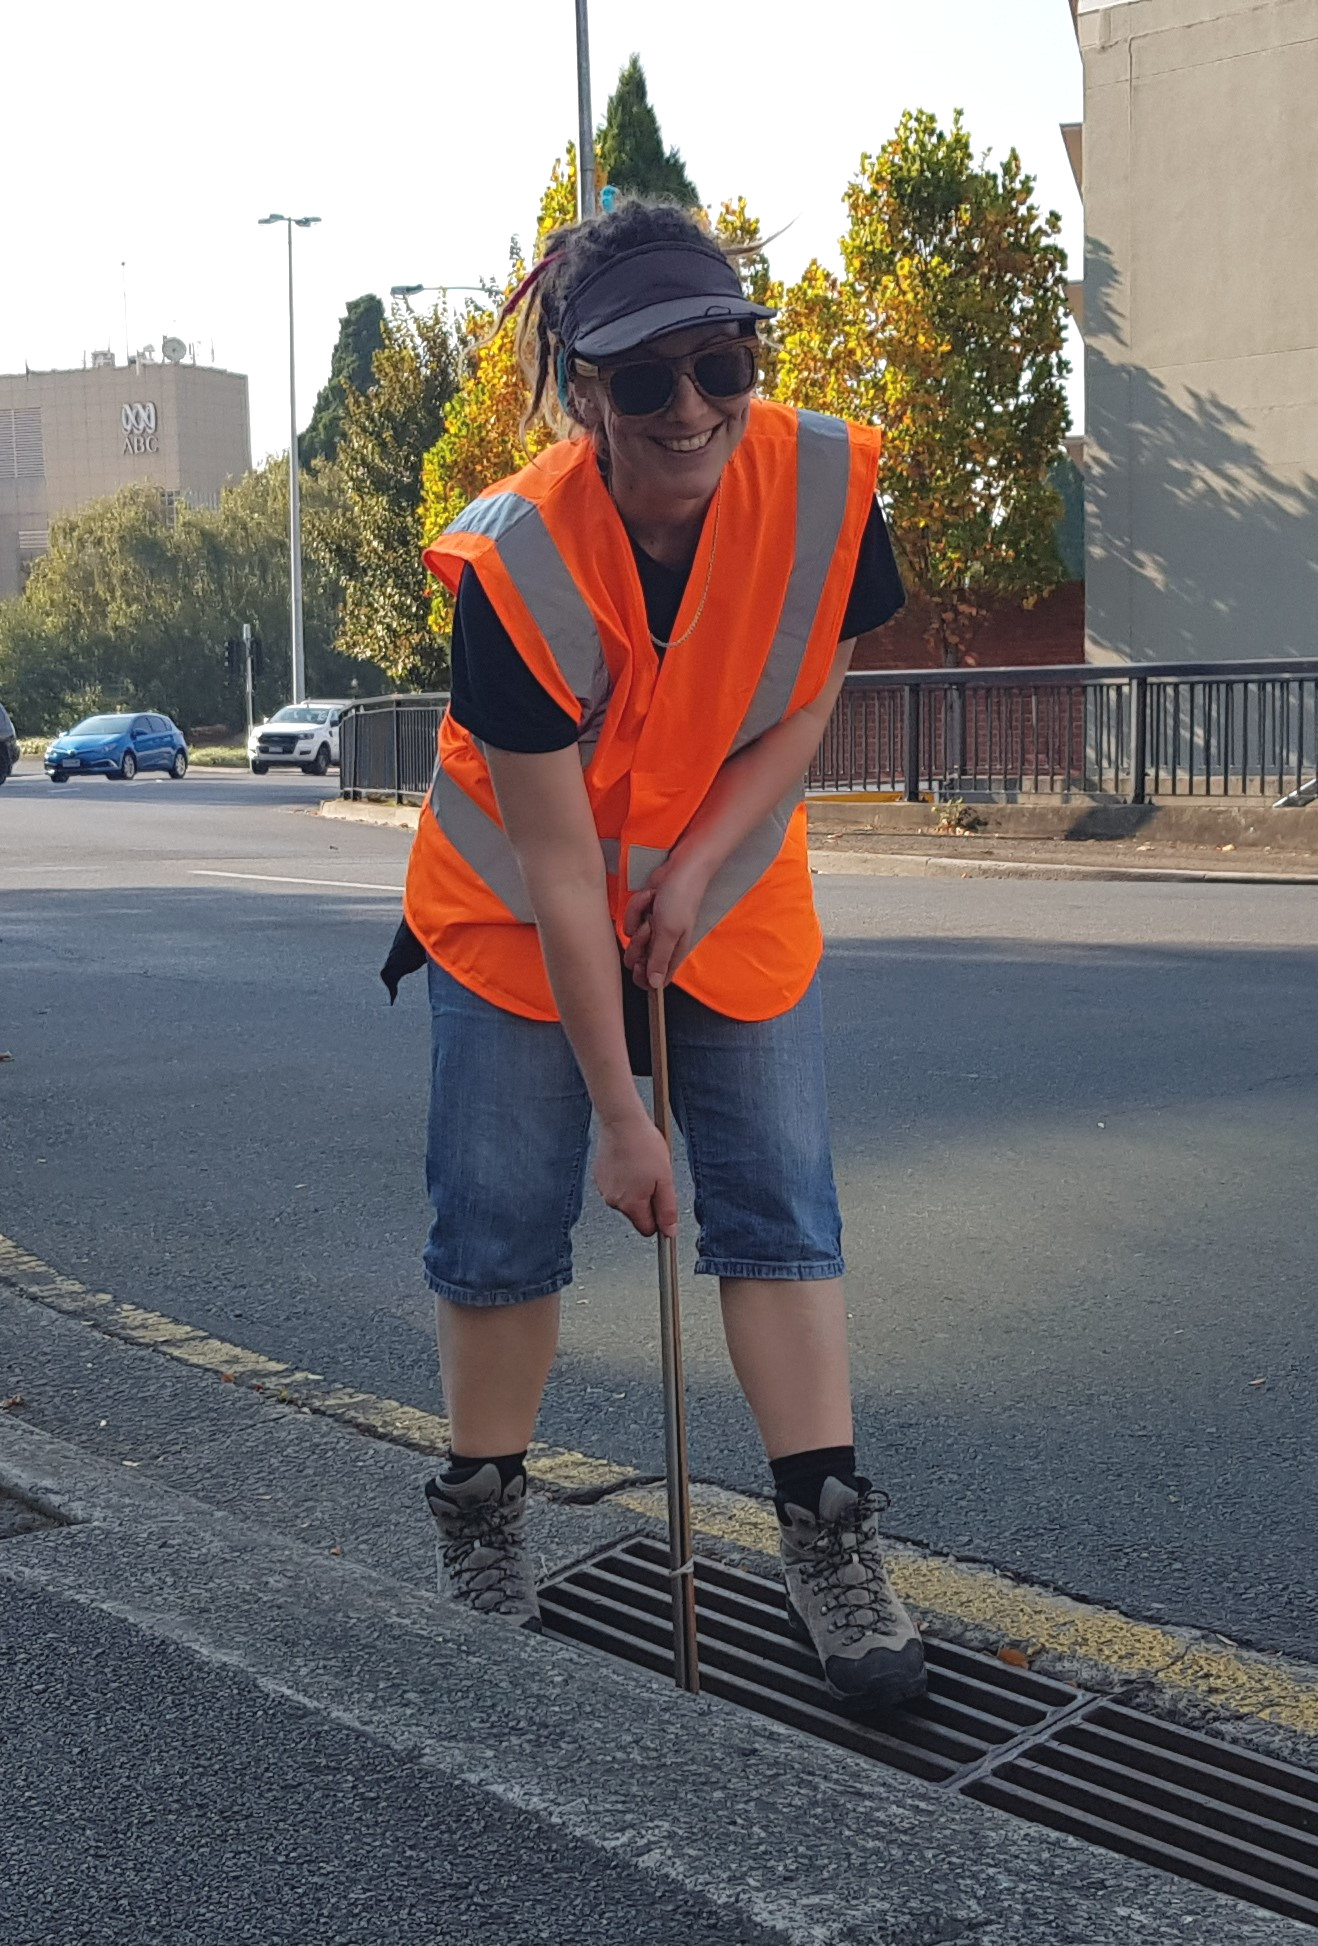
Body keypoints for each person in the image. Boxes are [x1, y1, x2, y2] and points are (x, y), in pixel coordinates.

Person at [383, 198, 925, 1711]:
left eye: (720, 362)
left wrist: (693, 870)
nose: (690, 406)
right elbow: (562, 870)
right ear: (583, 393)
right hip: (517, 915)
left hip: (727, 888)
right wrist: (624, 1115)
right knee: (500, 1217)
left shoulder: (825, 484)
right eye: (642, 378)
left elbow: (801, 711)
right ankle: (485, 1518)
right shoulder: (514, 561)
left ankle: (827, 1537)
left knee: (780, 1209)